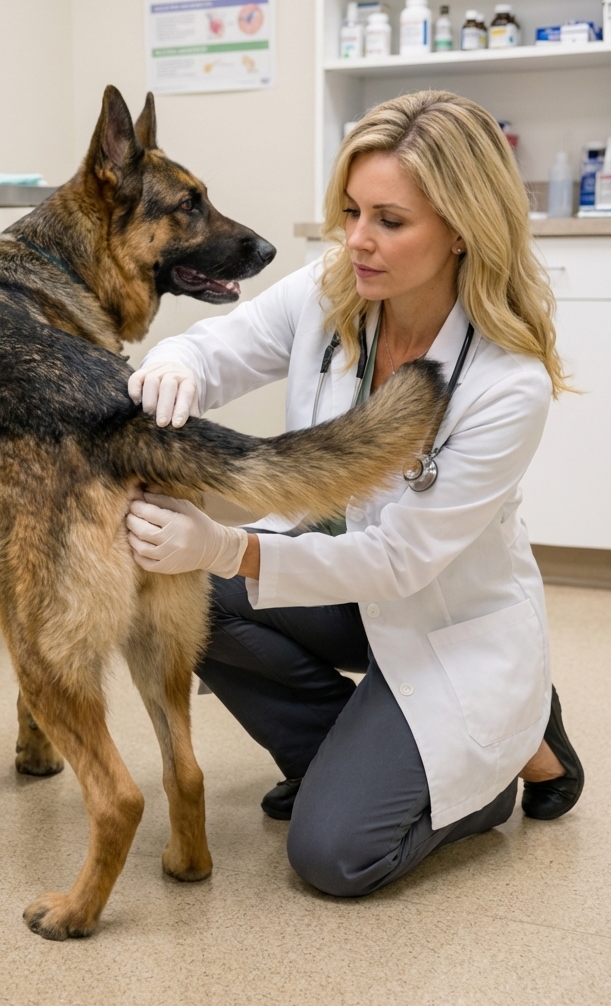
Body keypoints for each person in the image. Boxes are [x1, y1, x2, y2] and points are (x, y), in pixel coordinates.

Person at [124, 90, 584, 898]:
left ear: (461, 230)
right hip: (342, 588)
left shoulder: (506, 385)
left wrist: (231, 544)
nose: (356, 241)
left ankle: (493, 771)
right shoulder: (336, 288)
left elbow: (400, 561)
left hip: (445, 616)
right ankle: (352, 752)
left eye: (389, 221)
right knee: (177, 594)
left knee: (333, 857)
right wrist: (176, 366)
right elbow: (224, 347)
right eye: (349, 210)